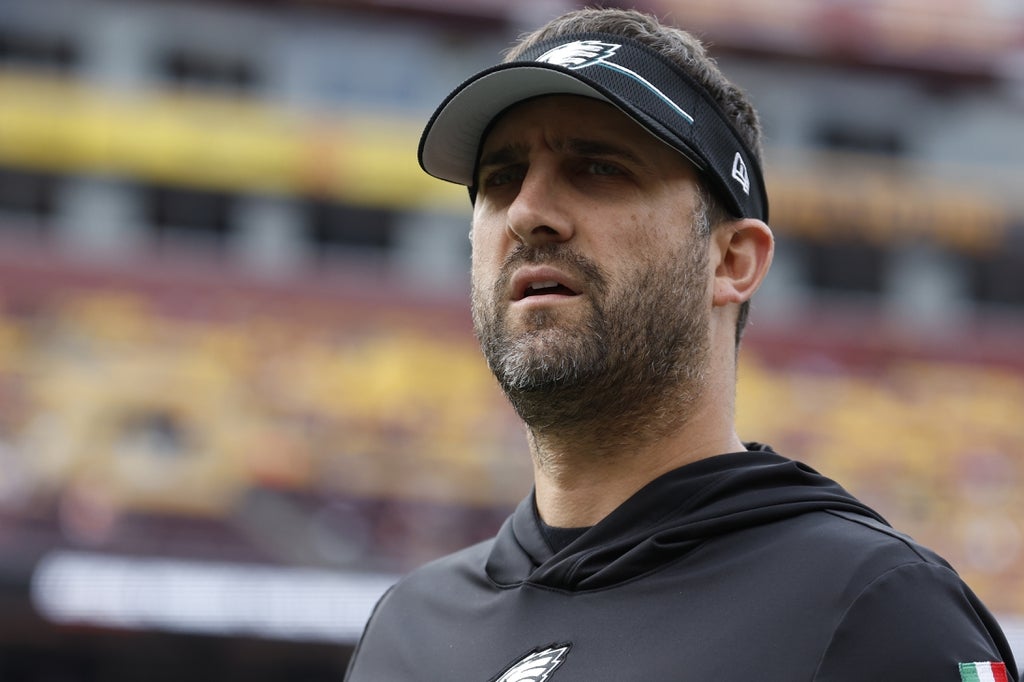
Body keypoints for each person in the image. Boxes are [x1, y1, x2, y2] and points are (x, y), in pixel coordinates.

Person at [345, 8, 1018, 681]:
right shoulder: (406, 631)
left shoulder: (877, 612)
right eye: (499, 178)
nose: (527, 211)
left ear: (732, 262)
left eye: (598, 168)